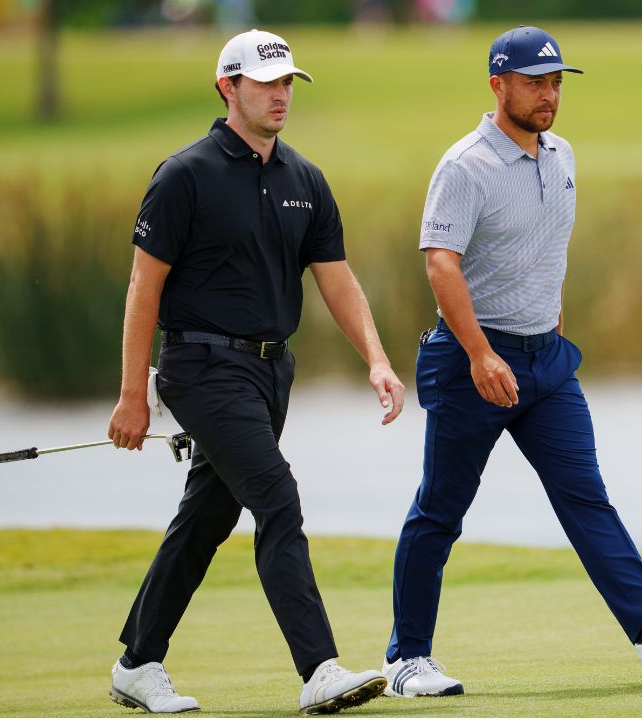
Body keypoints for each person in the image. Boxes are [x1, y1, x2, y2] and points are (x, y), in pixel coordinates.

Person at [381, 25, 642, 697]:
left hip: (545, 362)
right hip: (471, 363)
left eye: (555, 83)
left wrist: (551, 316)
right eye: (535, 83)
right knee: (441, 510)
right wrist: (480, 353)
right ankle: (406, 659)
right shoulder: (465, 166)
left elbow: (546, 248)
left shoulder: (562, 154)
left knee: (585, 496)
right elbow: (440, 264)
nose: (549, 95)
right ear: (498, 85)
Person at [105, 29, 404, 715]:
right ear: (228, 88)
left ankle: (137, 662)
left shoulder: (305, 180)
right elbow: (144, 288)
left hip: (271, 374)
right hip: (201, 366)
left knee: (206, 517)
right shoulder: (185, 175)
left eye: (288, 82)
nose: (280, 95)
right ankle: (319, 668)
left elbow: (336, 279)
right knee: (275, 496)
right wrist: (132, 395)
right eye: (267, 83)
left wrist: (378, 360)